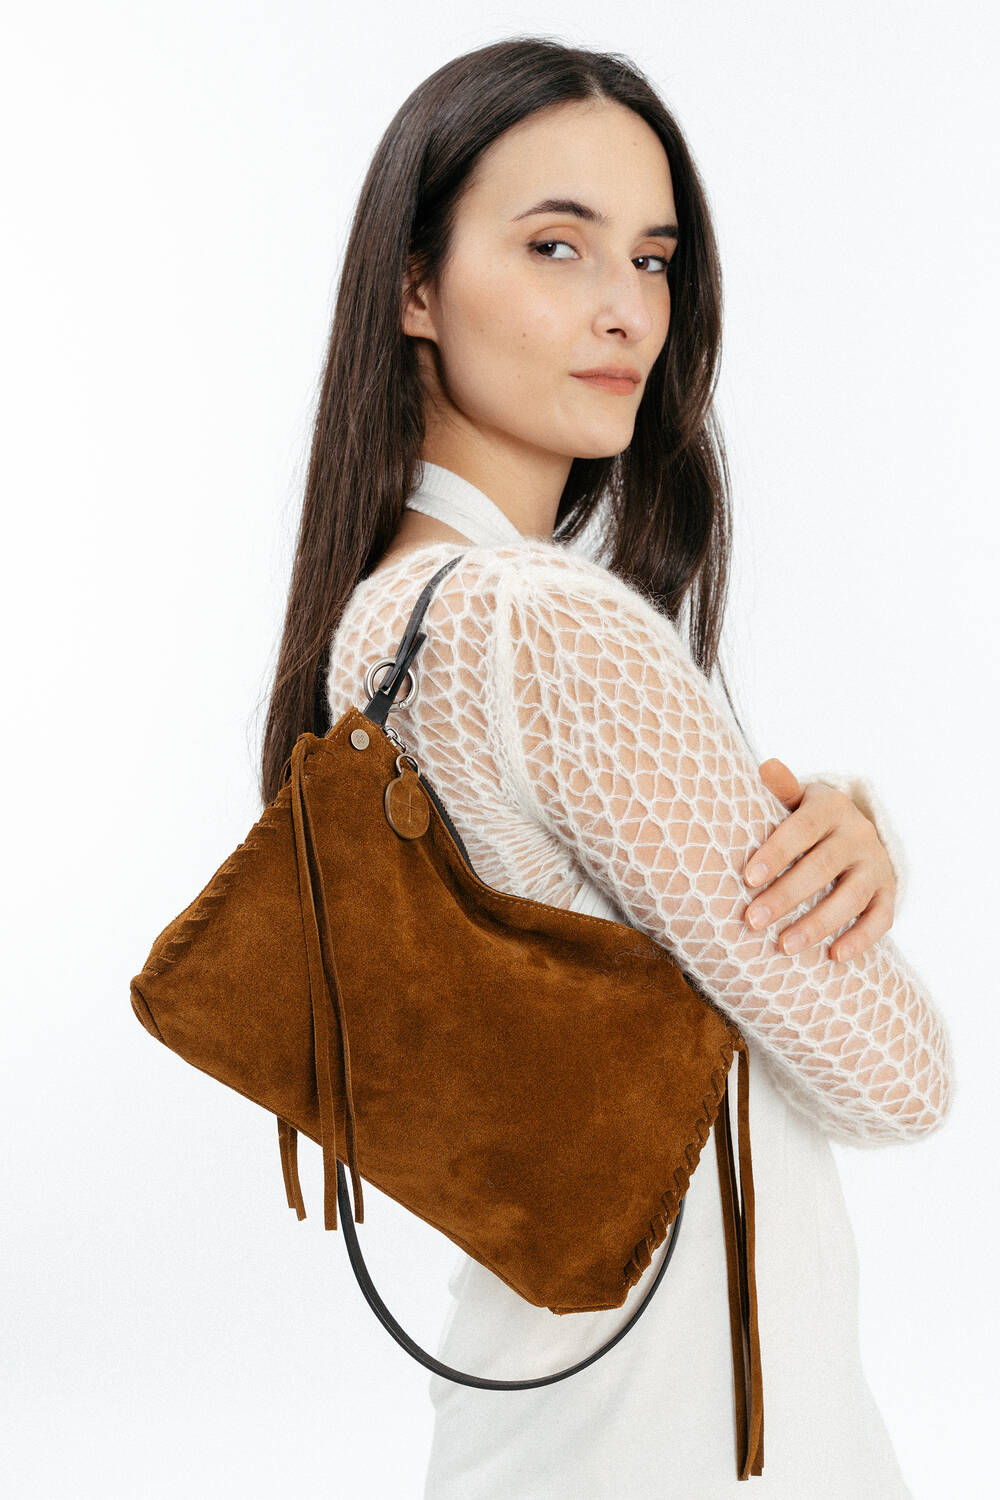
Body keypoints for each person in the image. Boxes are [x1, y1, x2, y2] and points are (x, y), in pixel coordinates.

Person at [259, 36, 955, 1499]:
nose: (625, 308)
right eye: (556, 245)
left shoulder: (381, 620)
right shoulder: (543, 627)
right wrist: (860, 877)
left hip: (564, 1405)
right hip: (684, 1437)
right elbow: (897, 1077)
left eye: (652, 258)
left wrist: (844, 834)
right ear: (414, 286)